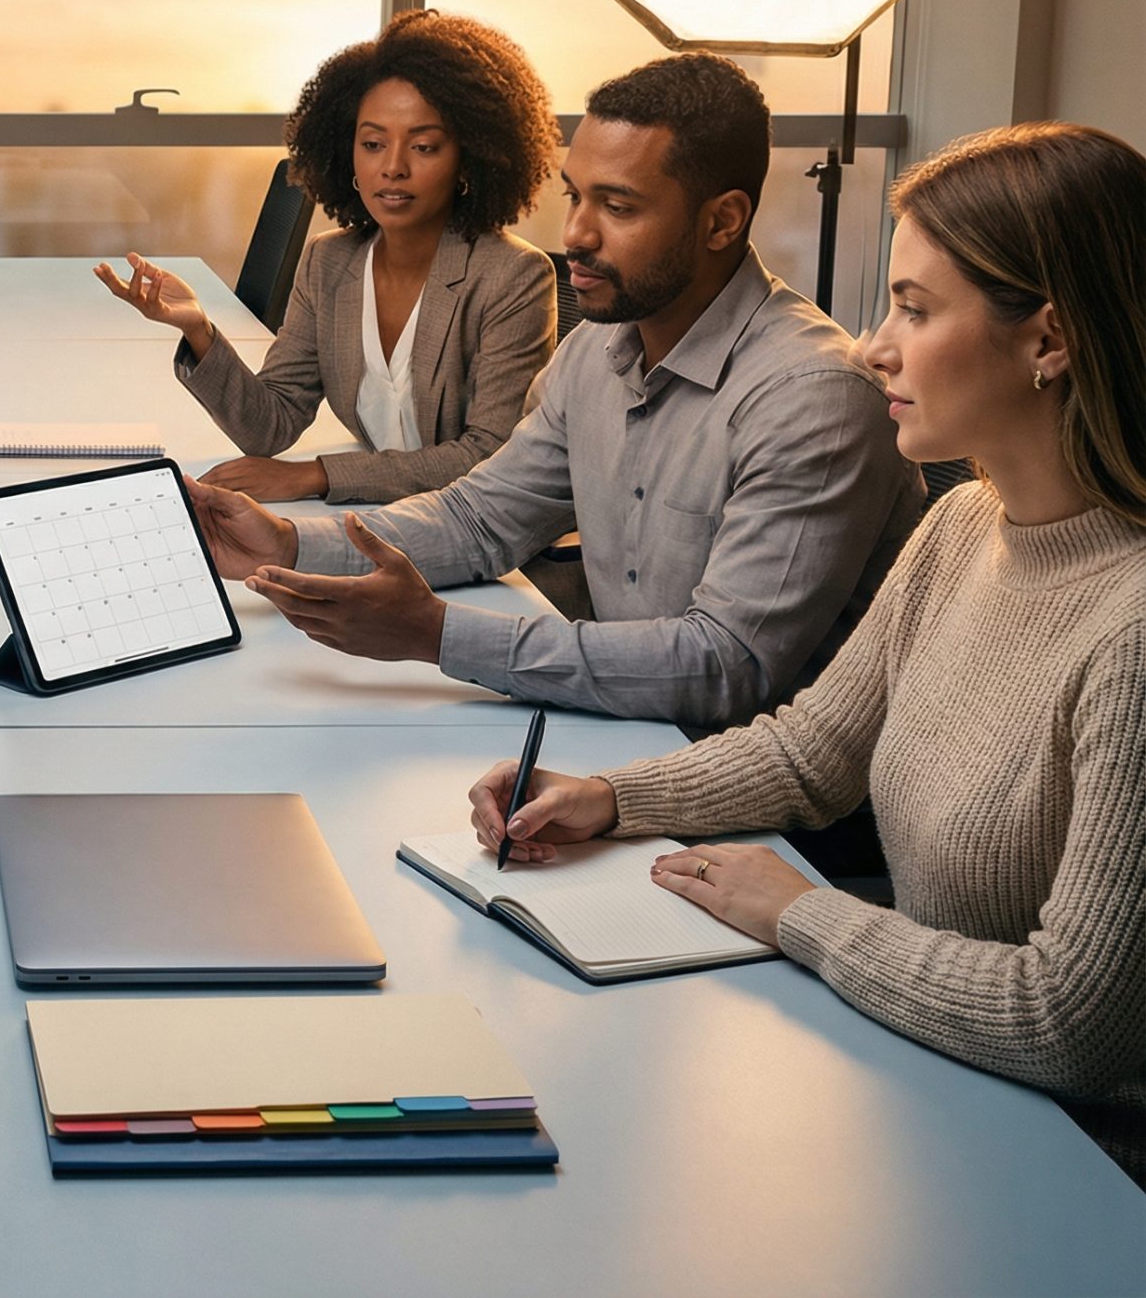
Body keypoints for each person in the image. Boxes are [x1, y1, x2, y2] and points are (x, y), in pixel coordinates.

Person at [467, 122, 1146, 1181]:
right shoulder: (964, 521)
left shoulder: (1131, 632)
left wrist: (799, 913)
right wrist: (608, 796)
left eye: (915, 311)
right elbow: (810, 752)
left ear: (1046, 341)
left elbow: (1067, 1022)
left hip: (1070, 1172)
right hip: (931, 1091)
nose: (875, 346)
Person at [187, 53, 922, 729]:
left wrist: (437, 635)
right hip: (610, 736)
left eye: (619, 207)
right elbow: (480, 518)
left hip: (750, 801)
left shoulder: (813, 400)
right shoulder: (596, 350)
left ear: (722, 220)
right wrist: (285, 542)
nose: (575, 233)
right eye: (575, 197)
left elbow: (725, 667)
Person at [95, 9, 561, 503]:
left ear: (470, 158)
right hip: (370, 518)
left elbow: (487, 456)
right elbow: (270, 425)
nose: (393, 167)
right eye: (373, 144)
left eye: (424, 147)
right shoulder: (329, 262)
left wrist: (317, 475)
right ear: (347, 154)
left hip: (473, 532)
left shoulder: (514, 276)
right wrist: (197, 329)